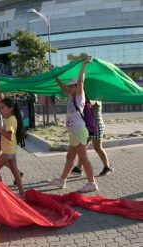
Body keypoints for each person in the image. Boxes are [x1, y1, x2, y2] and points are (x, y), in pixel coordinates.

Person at [50, 57, 99, 193]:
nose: (70, 87)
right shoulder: (71, 96)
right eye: (70, 86)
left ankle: (91, 183)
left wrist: (84, 65)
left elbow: (81, 80)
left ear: (77, 87)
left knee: (83, 158)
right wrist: (55, 77)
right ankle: (62, 181)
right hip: (74, 132)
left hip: (78, 131)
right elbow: (62, 88)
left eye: (72, 85)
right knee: (70, 157)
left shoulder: (79, 95)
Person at [0, 79, 26, 196]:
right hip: (11, 151)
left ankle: (3, 193)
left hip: (7, 152)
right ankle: (22, 192)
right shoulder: (10, 116)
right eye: (0, 108)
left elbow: (10, 137)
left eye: (3, 108)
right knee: (16, 173)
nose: (1, 109)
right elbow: (1, 101)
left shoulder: (10, 120)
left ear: (10, 108)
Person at [71, 99, 113, 176]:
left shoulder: (95, 98)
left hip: (96, 126)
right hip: (88, 126)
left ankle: (107, 167)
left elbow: (88, 104)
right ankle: (79, 168)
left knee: (98, 148)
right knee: (82, 148)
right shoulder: (88, 97)